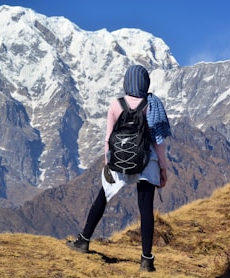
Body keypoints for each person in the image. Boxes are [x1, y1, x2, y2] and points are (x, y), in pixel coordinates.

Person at [66, 65, 171, 272]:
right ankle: (146, 260)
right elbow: (159, 143)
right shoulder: (152, 105)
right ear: (145, 82)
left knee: (102, 198)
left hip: (119, 160)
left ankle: (83, 241)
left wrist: (109, 163)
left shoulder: (116, 104)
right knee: (146, 209)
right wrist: (163, 169)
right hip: (146, 161)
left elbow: (108, 138)